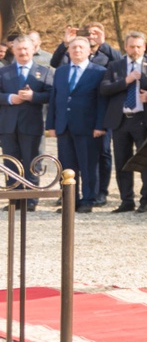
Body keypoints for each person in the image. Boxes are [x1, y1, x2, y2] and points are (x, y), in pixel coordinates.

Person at [99, 31, 147, 212]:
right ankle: (126, 200)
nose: (135, 50)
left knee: (146, 162)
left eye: (139, 46)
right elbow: (105, 88)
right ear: (125, 47)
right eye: (132, 46)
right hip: (121, 120)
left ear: (144, 47)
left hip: (143, 119)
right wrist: (126, 81)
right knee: (122, 161)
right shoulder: (115, 66)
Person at [45, 33, 106, 211]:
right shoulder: (61, 72)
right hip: (64, 126)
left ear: (89, 51)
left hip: (88, 126)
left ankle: (88, 200)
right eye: (73, 47)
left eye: (81, 48)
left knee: (88, 165)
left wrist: (100, 125)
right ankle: (69, 201)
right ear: (68, 51)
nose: (77, 50)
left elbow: (102, 101)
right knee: (67, 166)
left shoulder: (99, 72)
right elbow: (54, 98)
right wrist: (51, 124)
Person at [0, 33, 53, 198]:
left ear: (33, 49)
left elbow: (51, 95)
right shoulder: (4, 72)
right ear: (13, 50)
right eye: (19, 49)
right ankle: (14, 198)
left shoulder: (44, 72)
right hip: (8, 125)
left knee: (32, 162)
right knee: (10, 162)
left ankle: (30, 199)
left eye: (26, 49)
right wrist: (9, 98)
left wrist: (33, 97)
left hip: (31, 124)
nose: (23, 52)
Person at [84, 24, 123, 205]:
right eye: (89, 33)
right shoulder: (76, 51)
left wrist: (103, 43)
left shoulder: (107, 55)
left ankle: (102, 191)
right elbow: (56, 63)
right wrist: (66, 43)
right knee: (81, 153)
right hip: (82, 110)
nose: (91, 36)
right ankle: (74, 191)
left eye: (95, 33)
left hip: (103, 110)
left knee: (103, 152)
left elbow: (121, 62)